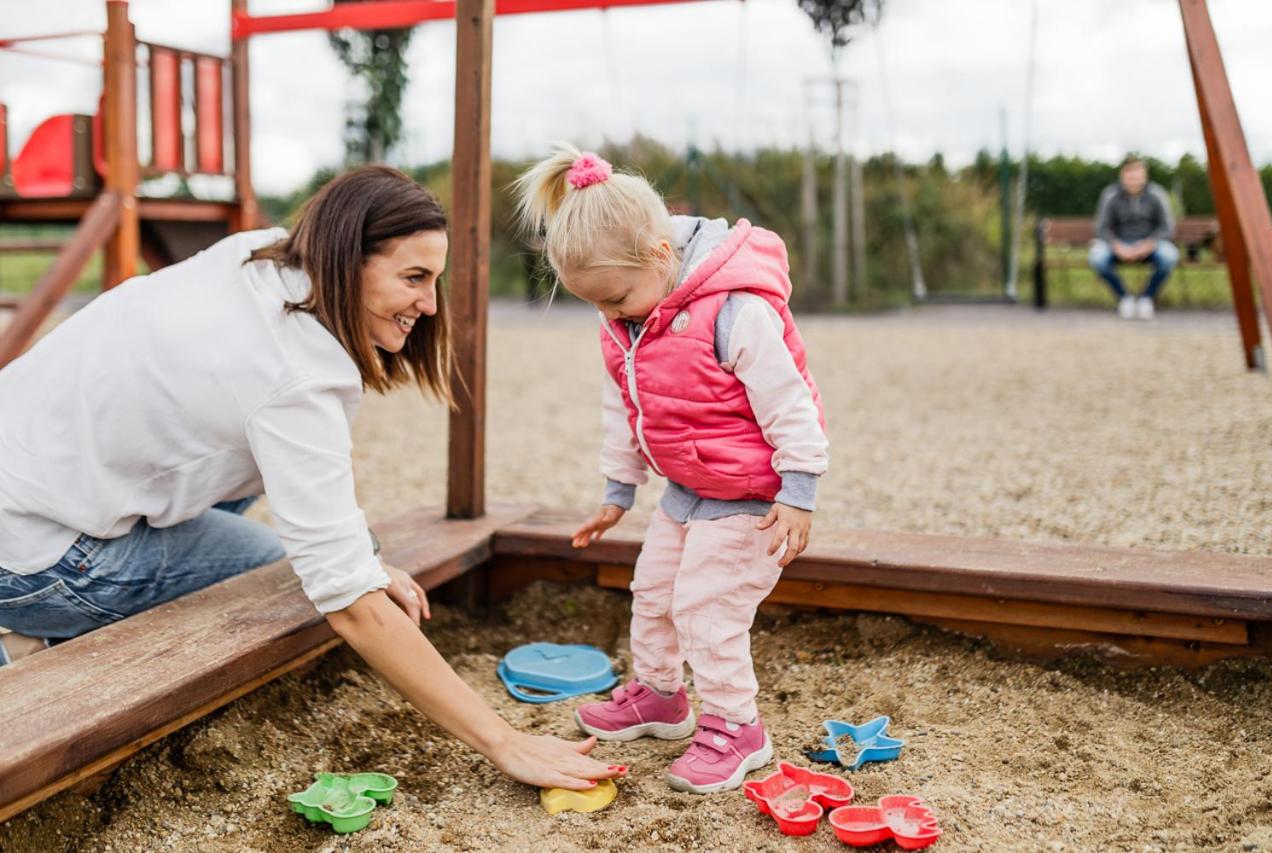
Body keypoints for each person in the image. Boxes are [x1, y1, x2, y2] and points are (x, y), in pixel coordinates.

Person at [0, 166, 621, 792]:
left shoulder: (262, 254)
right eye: (413, 278)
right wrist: (506, 742)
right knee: (274, 573)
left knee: (295, 517)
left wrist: (359, 554)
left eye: (434, 279)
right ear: (346, 260)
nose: (431, 304)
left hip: (31, 468)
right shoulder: (294, 379)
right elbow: (349, 605)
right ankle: (33, 638)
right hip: (32, 552)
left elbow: (307, 472)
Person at [513, 146, 828, 794]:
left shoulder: (737, 311)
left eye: (617, 298)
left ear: (660, 254)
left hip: (751, 495)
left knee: (708, 608)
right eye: (596, 306)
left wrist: (800, 489)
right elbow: (624, 405)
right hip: (686, 490)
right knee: (654, 592)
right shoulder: (625, 325)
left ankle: (738, 726)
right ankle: (660, 695)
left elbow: (791, 399)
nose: (611, 316)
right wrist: (618, 488)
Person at [1088, 155, 1179, 320]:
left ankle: (1146, 298)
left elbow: (1166, 227)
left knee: (1169, 256)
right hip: (1118, 243)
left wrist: (1148, 244)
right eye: (1129, 176)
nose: (1133, 180)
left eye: (1136, 176)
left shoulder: (1157, 194)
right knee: (1097, 258)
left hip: (1151, 243)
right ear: (1122, 176)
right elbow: (1102, 228)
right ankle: (1125, 298)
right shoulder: (1110, 195)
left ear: (1144, 176)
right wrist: (1117, 246)